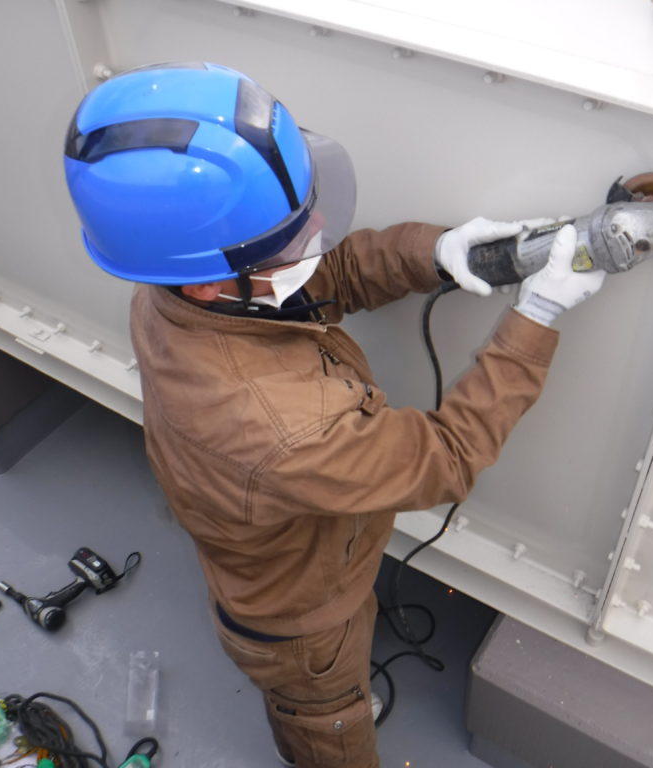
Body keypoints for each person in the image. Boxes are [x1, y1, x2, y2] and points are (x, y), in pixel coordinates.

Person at [64, 62, 605, 768]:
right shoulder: (280, 427)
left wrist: (438, 253)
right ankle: (324, 723)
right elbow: (445, 458)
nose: (317, 228)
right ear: (205, 282)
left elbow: (326, 276)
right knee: (326, 718)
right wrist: (536, 318)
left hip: (276, 566)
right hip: (302, 628)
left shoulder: (169, 285)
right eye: (290, 234)